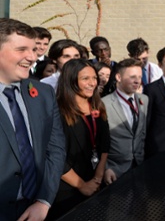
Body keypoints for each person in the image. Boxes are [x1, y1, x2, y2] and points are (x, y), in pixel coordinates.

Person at [0, 18, 66, 221]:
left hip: (36, 210)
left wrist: (44, 201)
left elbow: (55, 149)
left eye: (33, 49)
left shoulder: (43, 93)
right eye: (22, 49)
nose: (32, 57)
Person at [48, 59, 110, 219]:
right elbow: (54, 156)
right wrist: (82, 185)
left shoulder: (98, 106)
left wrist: (97, 178)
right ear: (71, 80)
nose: (92, 83)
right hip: (68, 190)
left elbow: (104, 145)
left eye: (94, 78)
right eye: (85, 79)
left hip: (96, 182)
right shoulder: (57, 112)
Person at [102, 58, 149, 185]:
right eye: (132, 76)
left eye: (139, 76)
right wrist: (105, 168)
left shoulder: (144, 100)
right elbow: (97, 142)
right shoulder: (104, 104)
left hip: (141, 168)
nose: (137, 81)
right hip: (115, 171)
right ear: (118, 77)